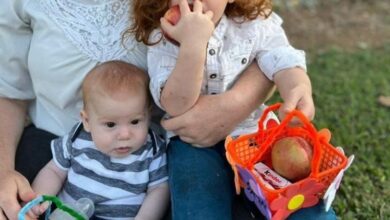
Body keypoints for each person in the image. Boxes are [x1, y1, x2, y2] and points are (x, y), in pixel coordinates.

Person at [0, 0, 274, 219]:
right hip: (55, 151)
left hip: (163, 160)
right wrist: (2, 172)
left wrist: (236, 103)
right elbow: (7, 93)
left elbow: (263, 42)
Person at [129, 0, 336, 219]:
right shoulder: (163, 37)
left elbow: (281, 57)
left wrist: (298, 86)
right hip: (194, 143)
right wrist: (193, 44)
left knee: (298, 199)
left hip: (255, 135)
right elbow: (175, 104)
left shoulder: (253, 24)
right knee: (198, 199)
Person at [27, 61, 169, 219]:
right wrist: (39, 199)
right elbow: (54, 171)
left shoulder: (152, 149)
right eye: (110, 124)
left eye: (135, 121)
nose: (124, 135)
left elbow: (159, 190)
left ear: (148, 115)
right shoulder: (77, 138)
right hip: (70, 215)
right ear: (86, 121)